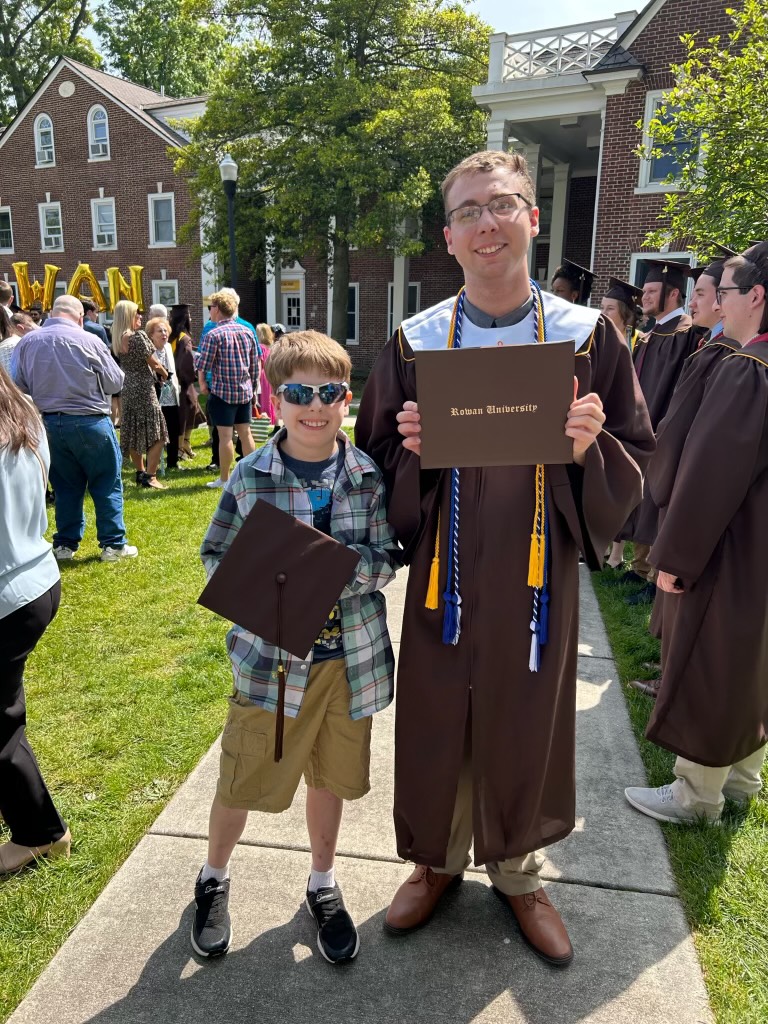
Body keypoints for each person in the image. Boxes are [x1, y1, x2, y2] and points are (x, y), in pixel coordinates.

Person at [355, 150, 654, 966]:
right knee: (437, 713)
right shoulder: (417, 343)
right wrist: (411, 453)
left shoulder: (585, 337)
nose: (486, 223)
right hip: (441, 579)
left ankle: (520, 872)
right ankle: (437, 860)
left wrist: (590, 450)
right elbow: (374, 458)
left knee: (527, 716)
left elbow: (634, 452)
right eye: (468, 212)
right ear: (448, 237)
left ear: (530, 217)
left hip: (534, 577)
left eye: (502, 204)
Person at [193, 330, 400, 962]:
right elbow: (215, 555)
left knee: (331, 777)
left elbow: (388, 555)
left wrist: (336, 568)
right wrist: (270, 586)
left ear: (347, 398)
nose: (316, 406)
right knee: (244, 773)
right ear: (274, 398)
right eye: (299, 393)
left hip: (348, 661)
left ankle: (322, 881)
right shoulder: (252, 476)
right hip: (272, 664)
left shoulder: (364, 474)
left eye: (330, 392)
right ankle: (214, 877)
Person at [625, 242, 768, 822]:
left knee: (711, 654)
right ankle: (740, 779)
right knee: (750, 657)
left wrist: (676, 555)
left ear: (757, 296)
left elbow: (710, 474)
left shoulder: (748, 371)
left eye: (728, 292)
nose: (722, 304)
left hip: (728, 547)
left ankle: (696, 794)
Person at [0, 364, 71, 873]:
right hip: (35, 576)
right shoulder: (21, 410)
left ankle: (41, 833)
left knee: (0, 729)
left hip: (10, 590)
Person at [12, 295, 136, 562]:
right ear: (81, 317)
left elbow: (17, 385)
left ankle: (65, 545)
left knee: (65, 486)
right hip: (90, 420)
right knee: (106, 483)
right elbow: (115, 383)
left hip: (48, 424)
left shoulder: (28, 342)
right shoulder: (90, 339)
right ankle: (113, 545)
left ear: (52, 313)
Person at [612, 259, 703, 606]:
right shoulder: (652, 333)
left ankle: (649, 572)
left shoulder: (685, 333)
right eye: (645, 291)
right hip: (642, 429)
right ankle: (637, 568)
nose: (644, 297)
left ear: (673, 292)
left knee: (656, 500)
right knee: (641, 498)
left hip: (661, 431)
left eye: (651, 291)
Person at [600, 278, 645, 569]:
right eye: (601, 307)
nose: (603, 313)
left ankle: (617, 553)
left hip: (627, 418)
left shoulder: (640, 341)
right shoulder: (598, 338)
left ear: (625, 314)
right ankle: (602, 543)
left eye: (610, 308)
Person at [195, 290, 258, 488]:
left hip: (222, 393)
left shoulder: (213, 334)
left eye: (211, 307)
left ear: (219, 309)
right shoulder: (247, 332)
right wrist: (254, 389)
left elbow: (203, 364)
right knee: (246, 434)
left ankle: (224, 479)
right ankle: (251, 476)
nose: (209, 311)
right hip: (244, 392)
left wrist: (203, 384)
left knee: (225, 437)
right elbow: (255, 365)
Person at [112, 300, 169, 490]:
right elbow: (153, 363)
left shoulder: (119, 337)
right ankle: (151, 476)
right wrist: (164, 373)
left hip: (127, 387)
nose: (140, 317)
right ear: (128, 315)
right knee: (159, 433)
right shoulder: (138, 337)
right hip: (144, 388)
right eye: (137, 314)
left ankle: (140, 472)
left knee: (134, 431)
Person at [169, 303, 204, 459]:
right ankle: (180, 448)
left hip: (171, 381)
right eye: (189, 316)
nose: (190, 318)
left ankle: (186, 444)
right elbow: (187, 363)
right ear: (185, 319)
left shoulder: (171, 337)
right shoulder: (185, 339)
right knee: (186, 414)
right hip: (183, 384)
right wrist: (193, 376)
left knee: (191, 412)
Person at [147, 316, 181, 471]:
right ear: (151, 334)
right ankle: (152, 464)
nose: (164, 333)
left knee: (173, 428)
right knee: (155, 431)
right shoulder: (148, 350)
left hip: (171, 394)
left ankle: (173, 461)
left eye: (165, 330)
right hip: (155, 394)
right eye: (159, 331)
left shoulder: (168, 347)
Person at [256, 323, 277, 424]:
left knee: (262, 400)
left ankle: (262, 420)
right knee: (269, 400)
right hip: (270, 375)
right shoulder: (271, 348)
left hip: (262, 375)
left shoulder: (259, 347)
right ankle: (270, 419)